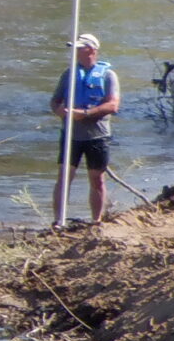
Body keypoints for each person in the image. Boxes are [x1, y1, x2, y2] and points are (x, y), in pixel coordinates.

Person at [49, 32, 120, 223]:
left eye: (79, 48)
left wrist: (86, 114)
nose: (75, 51)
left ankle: (96, 221)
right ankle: (58, 220)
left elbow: (113, 105)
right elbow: (54, 101)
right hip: (71, 135)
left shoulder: (108, 75)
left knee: (97, 179)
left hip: (97, 136)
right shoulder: (69, 74)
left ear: (91, 50)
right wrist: (60, 111)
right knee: (63, 178)